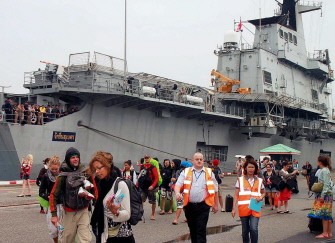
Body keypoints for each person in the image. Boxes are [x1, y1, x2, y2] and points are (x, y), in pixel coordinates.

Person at [49, 147, 98, 243]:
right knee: (67, 240)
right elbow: (53, 195)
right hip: (68, 213)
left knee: (85, 240)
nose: (75, 159)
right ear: (68, 159)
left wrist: (97, 205)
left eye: (77, 157)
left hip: (84, 211)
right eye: (72, 157)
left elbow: (94, 189)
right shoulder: (63, 176)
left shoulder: (85, 172)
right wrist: (54, 215)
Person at [90, 151, 135, 243]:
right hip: (105, 234)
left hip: (121, 237)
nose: (97, 172)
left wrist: (116, 212)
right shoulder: (101, 184)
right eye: (95, 169)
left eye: (99, 168)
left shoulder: (120, 184)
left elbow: (127, 214)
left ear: (108, 166)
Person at [174, 152, 219, 243]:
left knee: (201, 229)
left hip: (203, 206)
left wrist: (216, 204)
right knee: (193, 229)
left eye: (201, 159)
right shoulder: (186, 172)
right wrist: (177, 193)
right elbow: (178, 185)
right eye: (197, 159)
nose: (199, 161)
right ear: (192, 161)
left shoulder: (209, 172)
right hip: (189, 206)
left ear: (203, 161)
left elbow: (215, 190)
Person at [232, 157, 265, 243]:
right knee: (245, 230)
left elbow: (264, 192)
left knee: (254, 228)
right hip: (243, 208)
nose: (251, 169)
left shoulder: (259, 180)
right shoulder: (240, 180)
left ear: (255, 169)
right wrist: (233, 208)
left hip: (255, 207)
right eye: (249, 167)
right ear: (245, 168)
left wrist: (261, 197)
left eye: (253, 167)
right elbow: (236, 194)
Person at [308, 156, 333, 239]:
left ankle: (325, 233)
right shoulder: (326, 170)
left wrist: (322, 195)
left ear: (320, 162)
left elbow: (326, 184)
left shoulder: (324, 170)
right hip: (328, 195)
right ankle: (329, 232)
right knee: (328, 214)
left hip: (325, 195)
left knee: (324, 214)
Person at [39, 156, 61, 243]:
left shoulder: (62, 176)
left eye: (56, 169)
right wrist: (47, 196)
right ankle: (56, 241)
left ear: (59, 167)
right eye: (53, 169)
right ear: (49, 167)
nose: (55, 171)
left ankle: (62, 241)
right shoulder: (45, 177)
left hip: (62, 205)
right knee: (53, 230)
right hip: (51, 205)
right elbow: (41, 192)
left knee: (61, 228)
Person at [138, 155, 159, 220]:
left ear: (150, 159)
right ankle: (140, 214)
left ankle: (152, 214)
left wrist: (153, 186)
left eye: (147, 158)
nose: (146, 159)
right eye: (145, 158)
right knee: (141, 200)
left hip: (151, 187)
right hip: (143, 187)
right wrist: (138, 184)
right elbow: (140, 176)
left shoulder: (153, 167)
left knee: (153, 201)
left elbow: (156, 178)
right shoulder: (142, 167)